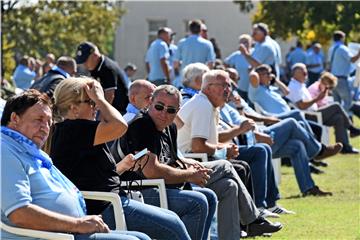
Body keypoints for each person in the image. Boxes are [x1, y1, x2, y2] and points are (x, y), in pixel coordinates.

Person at [115, 85, 283, 239]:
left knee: (228, 186)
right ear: (150, 102)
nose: (164, 113)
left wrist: (189, 164)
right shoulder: (141, 125)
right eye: (159, 106)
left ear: (177, 111)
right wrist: (189, 175)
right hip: (140, 191)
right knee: (215, 179)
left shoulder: (170, 126)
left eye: (171, 110)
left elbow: (174, 158)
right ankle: (252, 220)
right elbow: (151, 172)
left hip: (165, 186)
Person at [50, 77, 192, 239]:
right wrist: (101, 99)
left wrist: (122, 166)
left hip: (111, 201)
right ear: (73, 108)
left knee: (173, 221)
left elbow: (89, 177)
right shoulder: (73, 129)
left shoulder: (76, 131)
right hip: (104, 207)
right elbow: (120, 126)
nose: (95, 106)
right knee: (175, 225)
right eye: (90, 101)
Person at [1, 89, 150, 240]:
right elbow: (19, 213)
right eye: (39, 119)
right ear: (15, 118)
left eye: (48, 122)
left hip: (70, 231)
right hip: (51, 235)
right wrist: (77, 223)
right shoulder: (5, 150)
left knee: (142, 238)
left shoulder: (33, 153)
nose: (45, 127)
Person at [287, 63, 360, 154]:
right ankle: (351, 128)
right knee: (336, 106)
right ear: (295, 73)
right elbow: (302, 106)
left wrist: (319, 99)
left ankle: (344, 147)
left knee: (339, 118)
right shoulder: (294, 87)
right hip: (309, 116)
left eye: (306, 71)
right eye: (303, 72)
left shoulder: (300, 85)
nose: (306, 73)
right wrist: (318, 98)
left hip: (315, 113)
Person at [75, 41, 129, 114]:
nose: (84, 64)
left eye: (85, 60)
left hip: (118, 111)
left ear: (95, 55)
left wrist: (102, 116)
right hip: (109, 108)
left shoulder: (107, 68)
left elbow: (110, 95)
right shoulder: (94, 66)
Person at [328, 30, 360, 114]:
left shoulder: (331, 49)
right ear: (342, 38)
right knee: (347, 102)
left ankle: (338, 122)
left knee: (336, 103)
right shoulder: (343, 48)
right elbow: (352, 60)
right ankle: (344, 120)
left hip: (332, 79)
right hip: (341, 79)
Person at [224, 34, 259, 102]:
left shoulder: (255, 52)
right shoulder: (237, 54)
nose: (244, 44)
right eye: (242, 42)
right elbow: (225, 63)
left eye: (246, 42)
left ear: (251, 43)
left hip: (252, 87)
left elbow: (258, 65)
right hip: (240, 87)